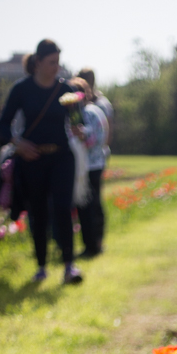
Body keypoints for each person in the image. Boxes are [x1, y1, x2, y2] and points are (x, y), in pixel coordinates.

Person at [0, 39, 82, 283]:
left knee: (63, 209)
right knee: (38, 212)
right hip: (32, 159)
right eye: (52, 62)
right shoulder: (22, 89)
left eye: (58, 63)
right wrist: (18, 144)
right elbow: (2, 126)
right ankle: (41, 266)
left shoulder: (65, 90)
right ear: (38, 62)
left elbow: (76, 122)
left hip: (61, 157)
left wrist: (79, 128)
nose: (56, 67)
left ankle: (69, 266)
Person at [71, 77, 108, 257]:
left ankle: (96, 244)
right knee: (83, 206)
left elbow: (99, 139)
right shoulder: (72, 115)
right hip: (79, 168)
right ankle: (88, 245)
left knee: (93, 205)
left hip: (93, 165)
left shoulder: (92, 113)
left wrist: (83, 135)